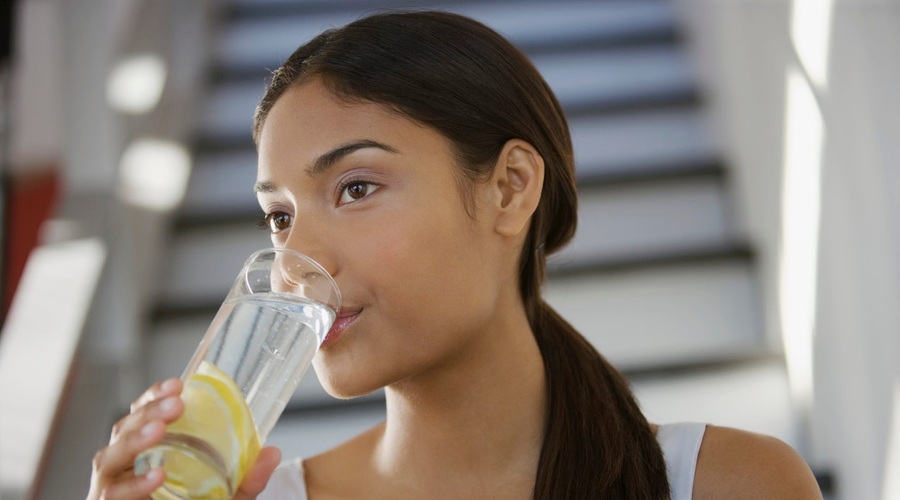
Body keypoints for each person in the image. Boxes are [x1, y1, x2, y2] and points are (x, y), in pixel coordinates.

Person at [88, 10, 823, 500]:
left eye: (356, 187)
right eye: (279, 216)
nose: (294, 264)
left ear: (510, 188)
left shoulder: (730, 483)